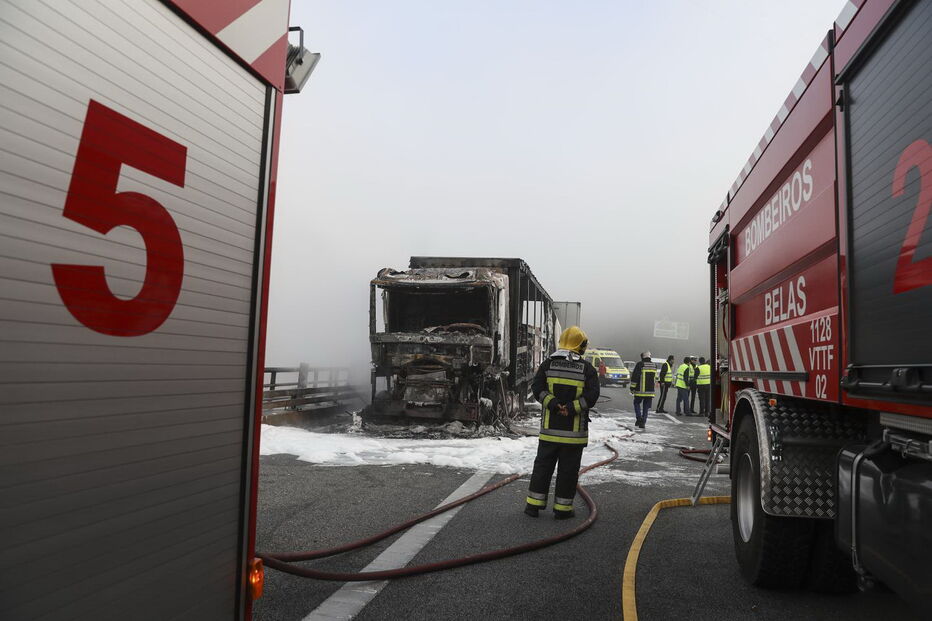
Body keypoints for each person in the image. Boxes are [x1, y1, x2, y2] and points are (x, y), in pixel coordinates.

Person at [525, 326, 600, 519]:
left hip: (550, 430)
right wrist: (572, 408)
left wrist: (555, 405)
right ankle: (562, 509)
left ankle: (533, 506)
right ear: (579, 345)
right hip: (574, 436)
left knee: (542, 467)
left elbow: (537, 388)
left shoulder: (548, 364)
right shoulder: (587, 369)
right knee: (568, 472)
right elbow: (592, 395)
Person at [629, 352, 657, 430]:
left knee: (636, 403)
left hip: (640, 391)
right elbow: (655, 378)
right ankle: (643, 422)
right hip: (650, 392)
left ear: (642, 357)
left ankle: (639, 418)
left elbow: (635, 376)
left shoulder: (640, 364)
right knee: (646, 407)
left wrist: (632, 387)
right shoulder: (654, 365)